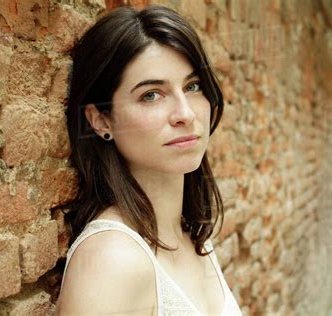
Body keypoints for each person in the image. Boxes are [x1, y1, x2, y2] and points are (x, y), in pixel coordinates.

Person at [55, 4, 243, 316]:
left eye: (192, 86)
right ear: (101, 120)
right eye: (151, 95)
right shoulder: (111, 261)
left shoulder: (192, 237)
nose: (184, 114)